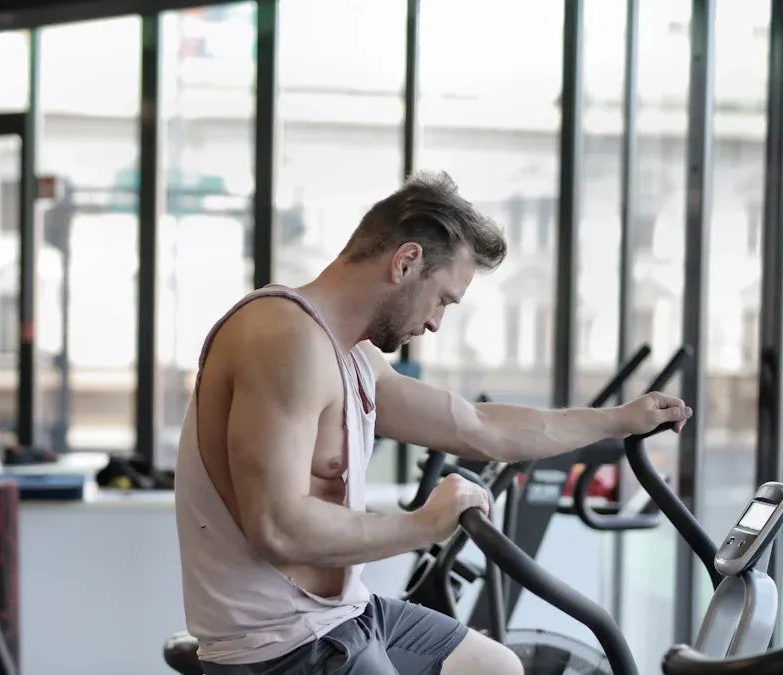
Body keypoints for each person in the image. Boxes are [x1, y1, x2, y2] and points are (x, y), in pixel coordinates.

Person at [174, 172, 693, 675]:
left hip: (343, 616)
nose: (435, 322)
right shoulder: (282, 337)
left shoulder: (351, 356)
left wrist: (616, 421)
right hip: (280, 647)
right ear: (406, 262)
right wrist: (425, 523)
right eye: (443, 298)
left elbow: (478, 428)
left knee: (494, 666)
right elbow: (278, 529)